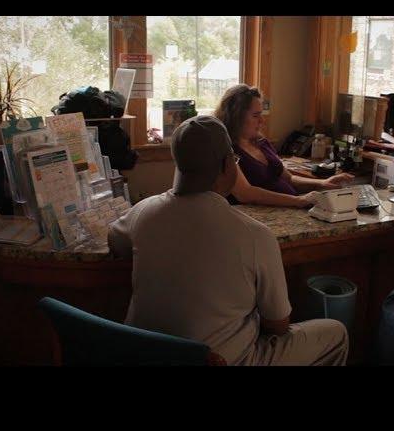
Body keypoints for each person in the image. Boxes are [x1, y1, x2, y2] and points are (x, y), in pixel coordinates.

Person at [108, 115, 349, 366]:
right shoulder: (255, 235)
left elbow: (115, 241)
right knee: (336, 333)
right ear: (227, 166)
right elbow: (278, 325)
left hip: (144, 355)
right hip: (223, 360)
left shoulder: (142, 213)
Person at [214, 84, 354, 207]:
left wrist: (322, 183)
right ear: (236, 117)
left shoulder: (262, 143)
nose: (262, 120)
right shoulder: (226, 149)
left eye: (262, 114)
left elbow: (289, 178)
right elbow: (246, 193)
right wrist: (297, 200)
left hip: (289, 209)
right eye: (256, 115)